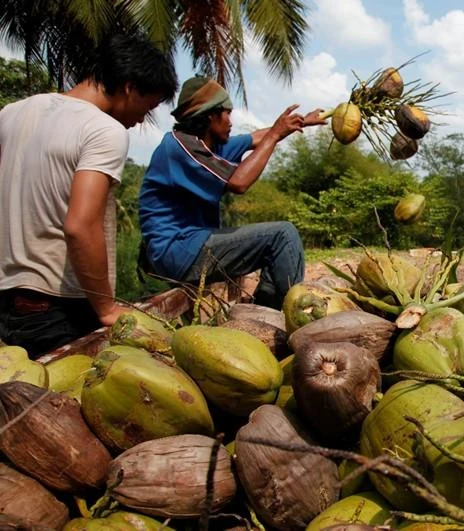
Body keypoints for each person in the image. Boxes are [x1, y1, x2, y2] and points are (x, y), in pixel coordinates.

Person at [0, 34, 178, 357]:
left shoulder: (11, 114)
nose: (141, 119)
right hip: (59, 304)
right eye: (148, 107)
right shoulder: (104, 130)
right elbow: (80, 226)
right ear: (129, 87)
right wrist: (107, 308)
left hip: (7, 300)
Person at [138, 76, 326, 310]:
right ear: (210, 116)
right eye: (227, 113)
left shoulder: (209, 145)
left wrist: (301, 122)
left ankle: (265, 313)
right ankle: (291, 313)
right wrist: (275, 135)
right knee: (283, 236)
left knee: (277, 240)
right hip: (177, 251)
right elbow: (239, 183)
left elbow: (256, 138)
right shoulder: (180, 148)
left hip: (190, 246)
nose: (231, 121)